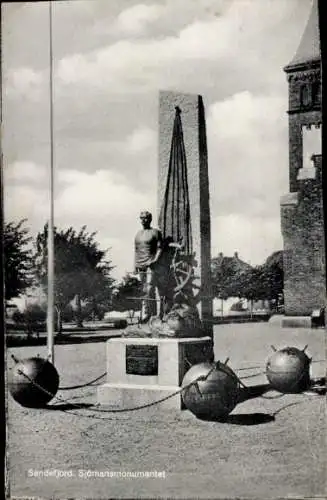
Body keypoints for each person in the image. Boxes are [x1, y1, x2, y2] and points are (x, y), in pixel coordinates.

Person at [134, 211, 163, 322]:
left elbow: (160, 248)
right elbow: (136, 251)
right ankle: (148, 313)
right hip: (140, 264)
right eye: (141, 218)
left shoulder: (155, 232)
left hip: (152, 264)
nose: (143, 220)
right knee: (144, 289)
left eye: (145, 218)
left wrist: (155, 260)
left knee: (150, 288)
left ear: (150, 219)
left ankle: (153, 314)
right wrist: (135, 265)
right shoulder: (138, 234)